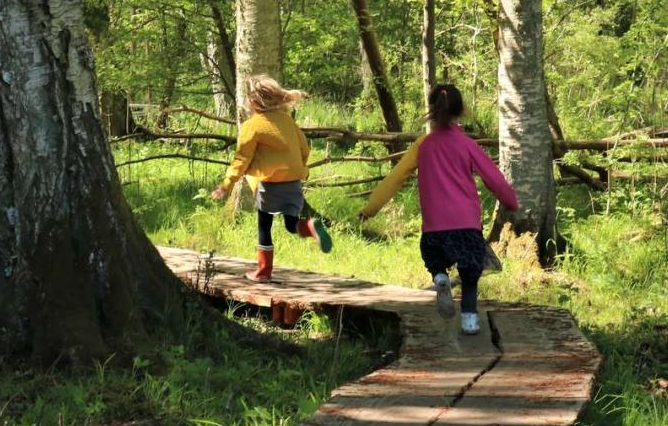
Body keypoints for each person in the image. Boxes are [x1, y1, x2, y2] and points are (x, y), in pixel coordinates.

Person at [358, 84, 518, 335]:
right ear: (460, 110)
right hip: (466, 224)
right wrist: (511, 202)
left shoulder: (423, 145)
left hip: (435, 227)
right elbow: (494, 178)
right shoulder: (467, 144)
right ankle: (469, 320)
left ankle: (440, 278)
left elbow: (395, 178)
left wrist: (370, 209)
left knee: (436, 261)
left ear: (431, 109)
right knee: (469, 273)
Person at [211, 75, 332, 283]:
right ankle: (311, 227)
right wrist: (301, 169)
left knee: (264, 226)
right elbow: (304, 148)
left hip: (269, 184)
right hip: (294, 183)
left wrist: (226, 184)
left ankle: (264, 271)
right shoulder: (288, 121)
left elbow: (241, 158)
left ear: (255, 101)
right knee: (290, 223)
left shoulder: (253, 125)